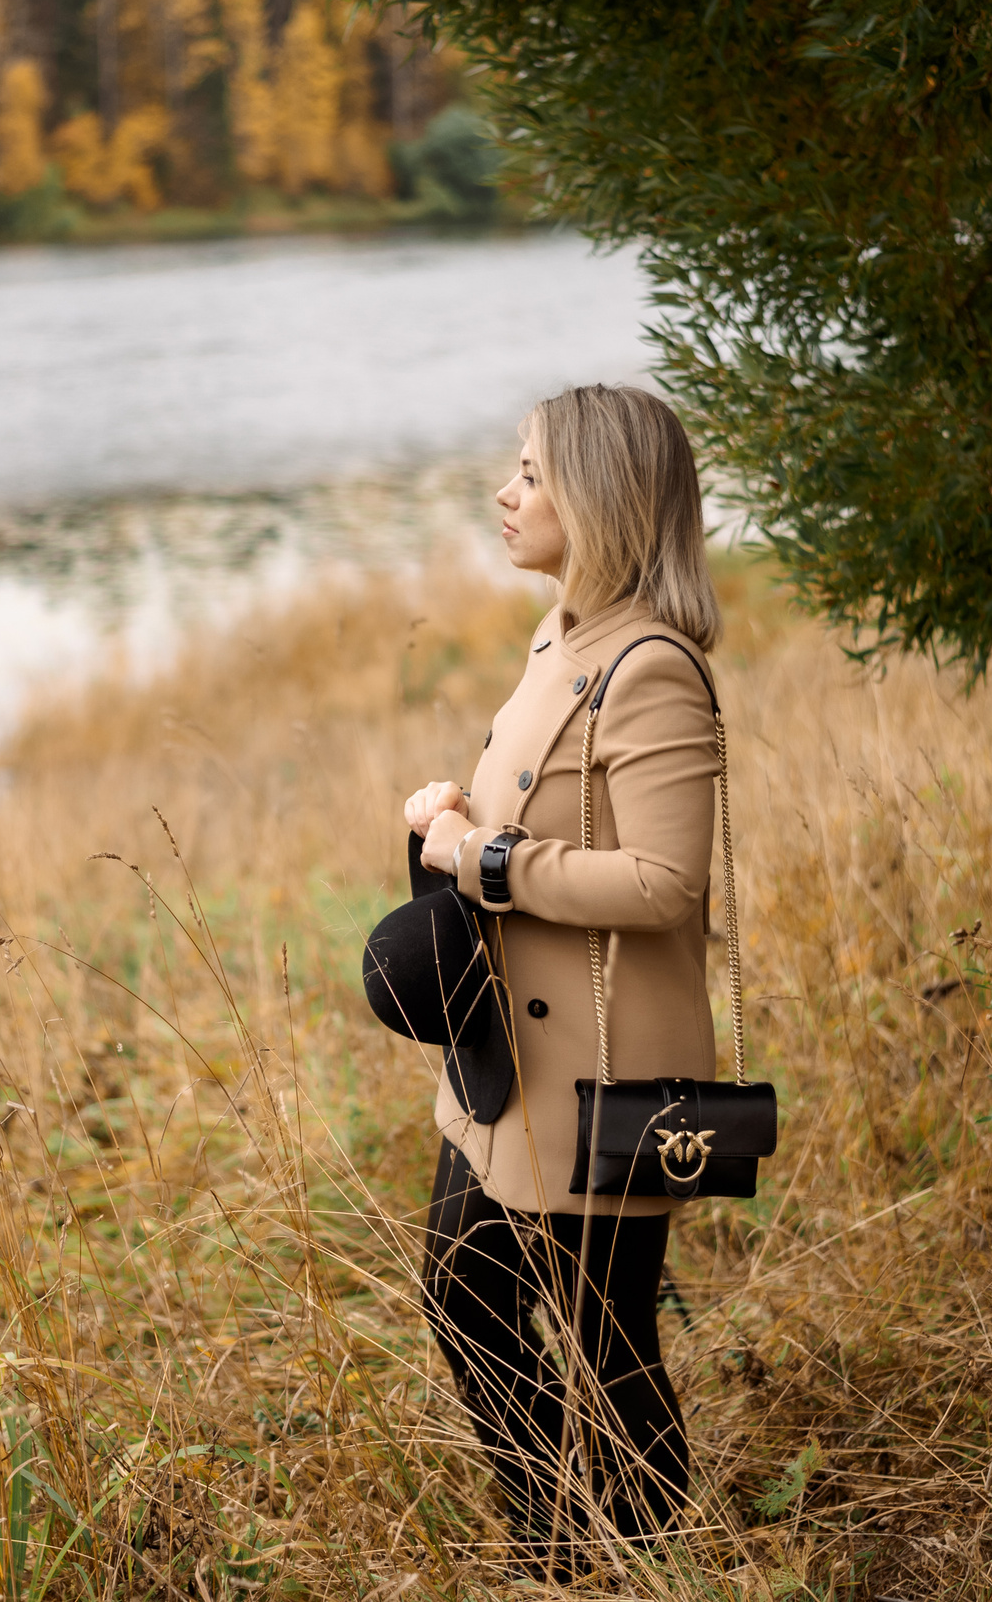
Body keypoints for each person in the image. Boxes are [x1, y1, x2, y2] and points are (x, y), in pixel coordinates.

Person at [400, 383, 724, 1569]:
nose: (505, 490)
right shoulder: (559, 636)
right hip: (507, 1061)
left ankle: (639, 1554)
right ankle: (555, 1540)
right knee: (463, 1295)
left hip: (605, 1075)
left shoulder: (651, 668)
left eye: (531, 472)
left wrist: (486, 856)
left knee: (605, 1337)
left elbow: (660, 883)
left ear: (601, 498)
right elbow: (547, 813)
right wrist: (453, 810)